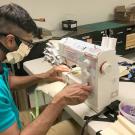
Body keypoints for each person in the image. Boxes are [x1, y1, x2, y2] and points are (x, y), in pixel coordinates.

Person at [0, 3, 92, 135]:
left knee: (60, 111)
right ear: (10, 40)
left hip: (13, 121)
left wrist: (43, 76)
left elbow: (8, 82)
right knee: (82, 126)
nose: (28, 49)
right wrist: (59, 100)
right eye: (27, 44)